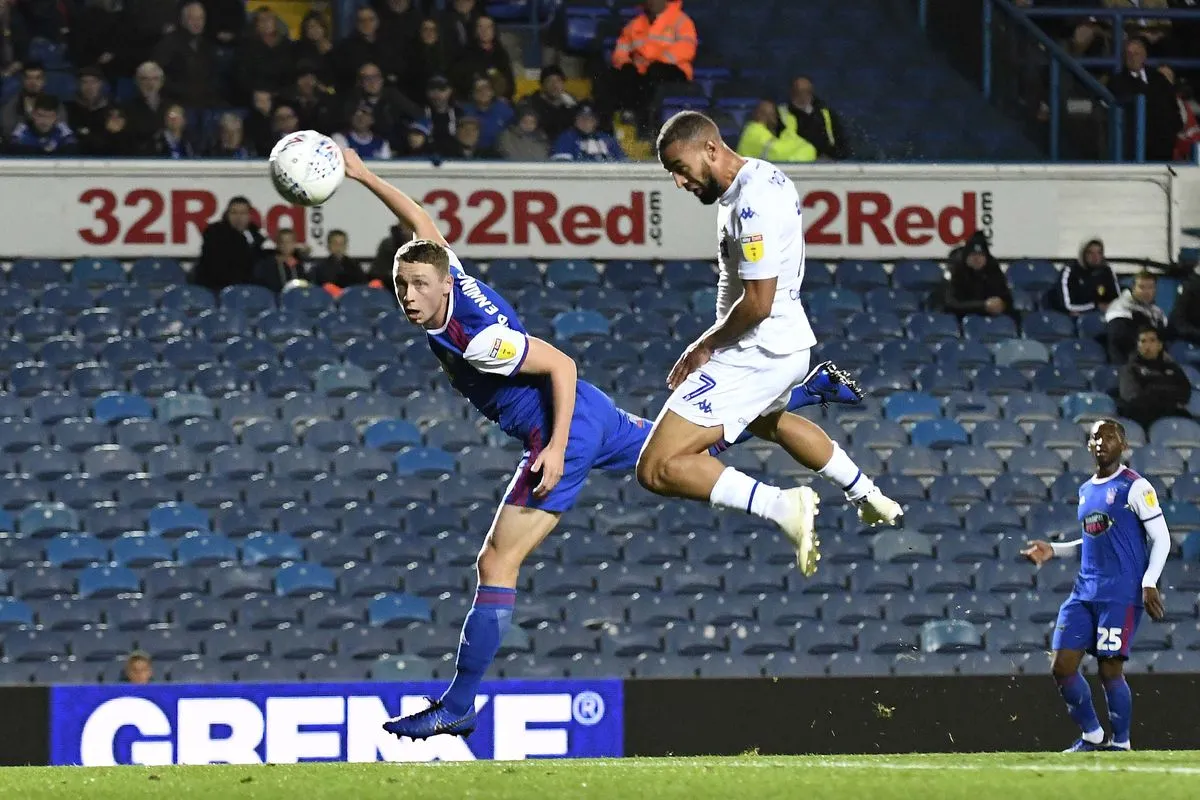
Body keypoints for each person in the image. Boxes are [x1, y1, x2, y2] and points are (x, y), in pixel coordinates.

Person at [336, 147, 863, 740]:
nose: (408, 295)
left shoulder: (479, 338)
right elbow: (422, 225)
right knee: (683, 454)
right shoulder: (448, 275)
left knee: (497, 561)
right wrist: (361, 175)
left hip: (566, 424)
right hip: (592, 410)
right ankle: (805, 389)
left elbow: (559, 364)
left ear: (440, 286)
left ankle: (457, 705)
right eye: (401, 285)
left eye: (417, 285)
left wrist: (556, 449)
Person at [637, 110, 902, 582]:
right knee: (770, 422)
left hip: (756, 350)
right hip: (783, 345)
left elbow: (757, 303)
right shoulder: (761, 176)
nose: (678, 183)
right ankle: (868, 494)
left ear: (711, 149)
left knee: (657, 468)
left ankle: (784, 506)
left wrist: (704, 346)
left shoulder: (751, 204)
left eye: (680, 168)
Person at [1022, 419, 1169, 752]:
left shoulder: (1136, 486)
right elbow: (1091, 537)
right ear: (1088, 446)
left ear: (1123, 444)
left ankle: (1122, 743)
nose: (1102, 442)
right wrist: (1054, 549)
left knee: (1109, 669)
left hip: (1121, 593)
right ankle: (1092, 734)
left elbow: (1161, 537)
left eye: (1109, 436)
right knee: (1062, 667)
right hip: (1084, 592)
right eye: (1095, 437)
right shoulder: (1086, 490)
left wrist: (1149, 581)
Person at [604, 0, 697, 131]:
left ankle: (647, 123)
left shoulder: (682, 21)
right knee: (624, 73)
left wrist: (658, 59)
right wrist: (625, 63)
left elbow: (686, 49)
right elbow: (621, 49)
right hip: (643, 70)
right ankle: (624, 117)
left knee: (655, 73)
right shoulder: (635, 24)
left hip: (674, 69)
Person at [1108, 37, 1182, 162]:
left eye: (1136, 54)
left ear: (1144, 56)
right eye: (1128, 54)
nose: (1132, 58)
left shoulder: (1159, 78)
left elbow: (1173, 108)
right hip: (1133, 146)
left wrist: (1172, 130)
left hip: (1163, 145)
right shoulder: (1117, 82)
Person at [1118, 327, 1191, 429]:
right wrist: (1166, 393)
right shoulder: (1129, 369)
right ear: (1138, 345)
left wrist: (1153, 390)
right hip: (1144, 418)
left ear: (1160, 345)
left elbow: (1185, 393)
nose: (1147, 345)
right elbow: (1132, 397)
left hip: (1171, 413)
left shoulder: (1172, 368)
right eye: (1143, 341)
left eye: (1152, 340)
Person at [153, 1, 222, 109]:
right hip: (175, 102)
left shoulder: (207, 45)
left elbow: (214, 76)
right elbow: (157, 75)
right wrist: (184, 91)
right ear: (183, 21)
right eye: (192, 18)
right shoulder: (168, 43)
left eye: (200, 18)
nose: (197, 23)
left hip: (205, 102)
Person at [192, 196, 265, 292]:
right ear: (227, 214)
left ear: (249, 216)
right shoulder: (215, 233)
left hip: (247, 288)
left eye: (243, 213)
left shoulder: (255, 235)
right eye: (234, 213)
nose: (238, 217)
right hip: (217, 287)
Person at [940, 231, 1014, 319]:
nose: (977, 259)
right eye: (973, 255)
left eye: (981, 255)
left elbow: (1007, 299)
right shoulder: (956, 272)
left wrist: (1002, 304)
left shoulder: (993, 271)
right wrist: (982, 305)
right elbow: (951, 304)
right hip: (961, 321)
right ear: (966, 257)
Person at [779, 77, 849, 161]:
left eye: (807, 91)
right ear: (791, 93)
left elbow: (842, 144)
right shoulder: (781, 114)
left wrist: (831, 156)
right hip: (795, 162)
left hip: (826, 163)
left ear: (812, 92)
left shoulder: (826, 114)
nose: (803, 95)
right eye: (798, 92)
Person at [1106, 271, 1168, 364]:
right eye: (1141, 287)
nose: (1147, 291)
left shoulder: (1157, 312)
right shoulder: (1120, 308)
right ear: (1133, 288)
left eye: (1150, 287)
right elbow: (1121, 340)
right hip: (1126, 363)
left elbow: (1165, 337)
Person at [1049, 238, 1121, 315]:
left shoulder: (1107, 270)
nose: (1095, 257)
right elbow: (1067, 305)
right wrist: (1095, 306)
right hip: (1075, 317)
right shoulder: (1070, 270)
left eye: (1099, 253)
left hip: (1103, 315)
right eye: (1090, 253)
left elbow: (1117, 300)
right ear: (1083, 254)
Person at [237, 8, 294, 99]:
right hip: (255, 96)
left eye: (269, 19)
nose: (266, 23)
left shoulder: (287, 45)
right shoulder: (247, 46)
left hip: (282, 96)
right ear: (256, 25)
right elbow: (243, 76)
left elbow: (291, 76)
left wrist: (278, 93)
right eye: (262, 20)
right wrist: (258, 93)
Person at [736, 99, 817, 162]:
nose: (775, 119)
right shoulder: (755, 132)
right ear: (760, 114)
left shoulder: (759, 132)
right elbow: (777, 153)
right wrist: (807, 148)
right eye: (773, 114)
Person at [454, 15, 513, 99]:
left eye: (488, 27)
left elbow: (510, 84)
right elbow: (461, 81)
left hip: (498, 101)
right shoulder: (466, 53)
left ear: (494, 30)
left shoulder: (501, 54)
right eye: (480, 27)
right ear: (475, 30)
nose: (484, 31)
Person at [551, 104, 625, 162]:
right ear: (575, 120)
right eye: (582, 118)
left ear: (596, 122)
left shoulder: (607, 138)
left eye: (590, 118)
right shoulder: (566, 138)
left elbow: (623, 161)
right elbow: (562, 166)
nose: (586, 121)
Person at [8, 92, 76, 154]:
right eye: (40, 116)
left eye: (50, 116)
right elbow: (13, 148)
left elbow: (72, 148)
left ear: (56, 117)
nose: (44, 121)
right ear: (33, 114)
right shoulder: (23, 129)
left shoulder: (62, 129)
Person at [66, 66, 111, 155]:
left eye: (93, 82)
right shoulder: (68, 108)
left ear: (100, 84)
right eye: (84, 82)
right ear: (78, 85)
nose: (89, 87)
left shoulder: (111, 110)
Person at [460, 75, 513, 152]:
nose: (483, 93)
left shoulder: (504, 109)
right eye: (479, 90)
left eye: (486, 89)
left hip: (499, 155)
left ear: (492, 92)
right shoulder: (464, 110)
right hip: (471, 155)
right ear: (473, 94)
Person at [525, 64, 577, 141]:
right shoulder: (531, 104)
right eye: (549, 80)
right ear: (542, 85)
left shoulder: (571, 104)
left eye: (558, 80)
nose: (554, 85)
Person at [254, 228, 310, 293]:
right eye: (282, 242)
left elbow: (306, 286)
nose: (286, 245)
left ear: (294, 244)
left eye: (289, 241)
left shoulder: (299, 266)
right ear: (277, 244)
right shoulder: (267, 265)